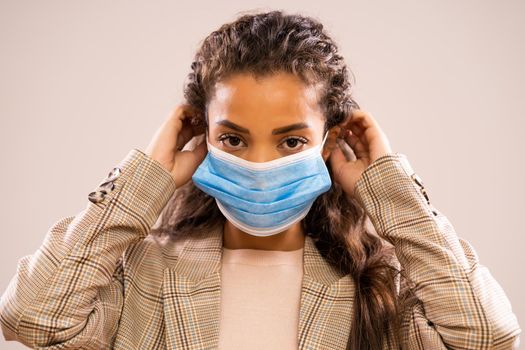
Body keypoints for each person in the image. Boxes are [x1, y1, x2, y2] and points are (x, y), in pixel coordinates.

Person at [0, 9, 521, 350]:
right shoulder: (142, 274)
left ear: (329, 141)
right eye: (234, 139)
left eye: (291, 141)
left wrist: (390, 190)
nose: (260, 164)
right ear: (200, 135)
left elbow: (485, 337)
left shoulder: (382, 285)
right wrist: (146, 178)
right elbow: (32, 317)